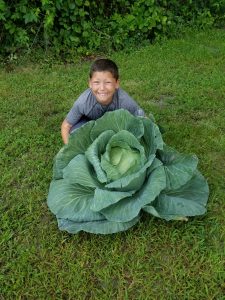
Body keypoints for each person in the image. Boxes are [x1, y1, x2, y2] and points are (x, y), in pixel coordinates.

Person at [61, 58, 145, 144]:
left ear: (116, 83)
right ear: (90, 83)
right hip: (90, 124)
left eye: (108, 82)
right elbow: (66, 126)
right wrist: (70, 150)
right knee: (73, 132)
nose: (102, 88)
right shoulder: (83, 102)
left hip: (115, 129)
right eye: (96, 82)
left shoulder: (124, 100)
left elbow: (144, 120)